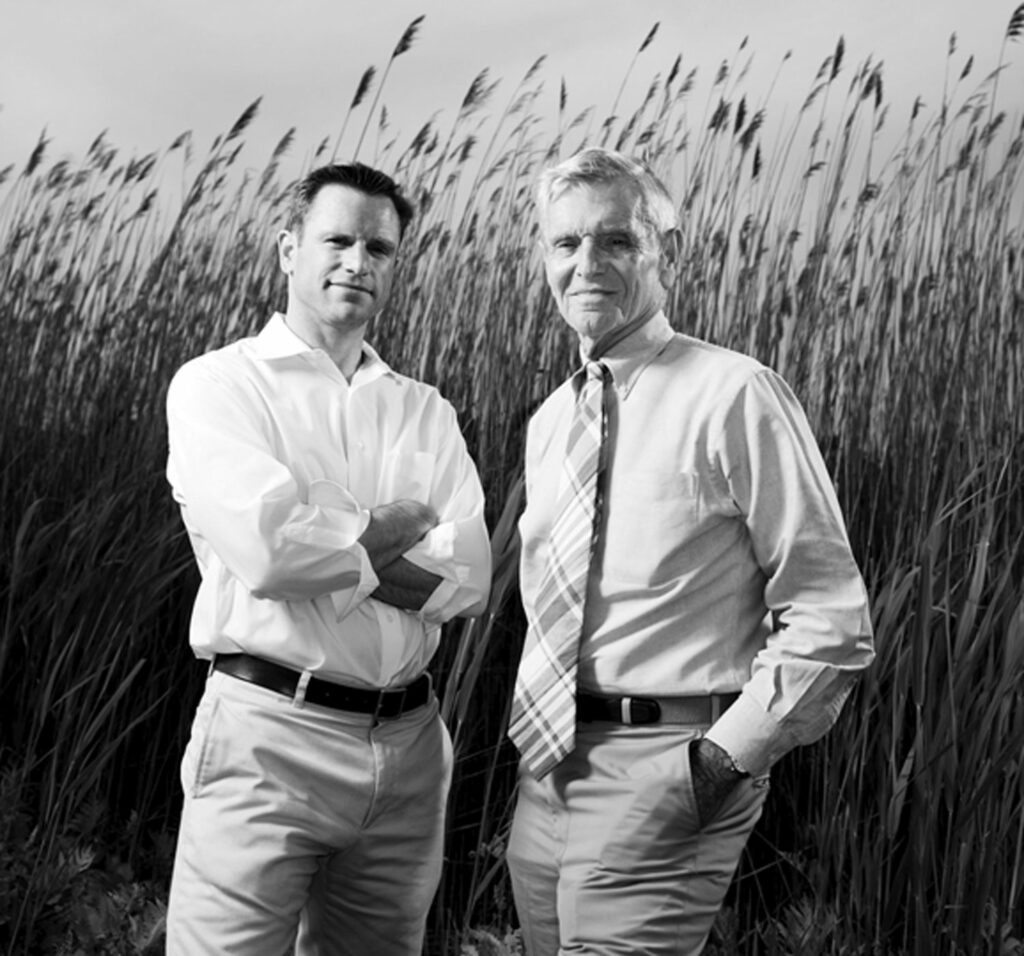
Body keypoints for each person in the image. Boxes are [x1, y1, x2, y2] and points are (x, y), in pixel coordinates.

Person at [506, 146, 874, 955]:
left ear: (662, 252)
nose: (586, 264)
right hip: (548, 771)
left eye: (615, 241)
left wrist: (714, 767)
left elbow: (830, 617)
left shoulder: (734, 393)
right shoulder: (550, 422)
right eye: (565, 244)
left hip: (667, 766)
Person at [164, 161, 491, 955]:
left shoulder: (425, 409)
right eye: (337, 240)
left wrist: (334, 542)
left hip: (410, 749)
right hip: (269, 736)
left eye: (378, 249)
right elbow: (269, 554)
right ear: (287, 249)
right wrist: (393, 533)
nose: (357, 262)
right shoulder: (218, 386)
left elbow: (470, 578)